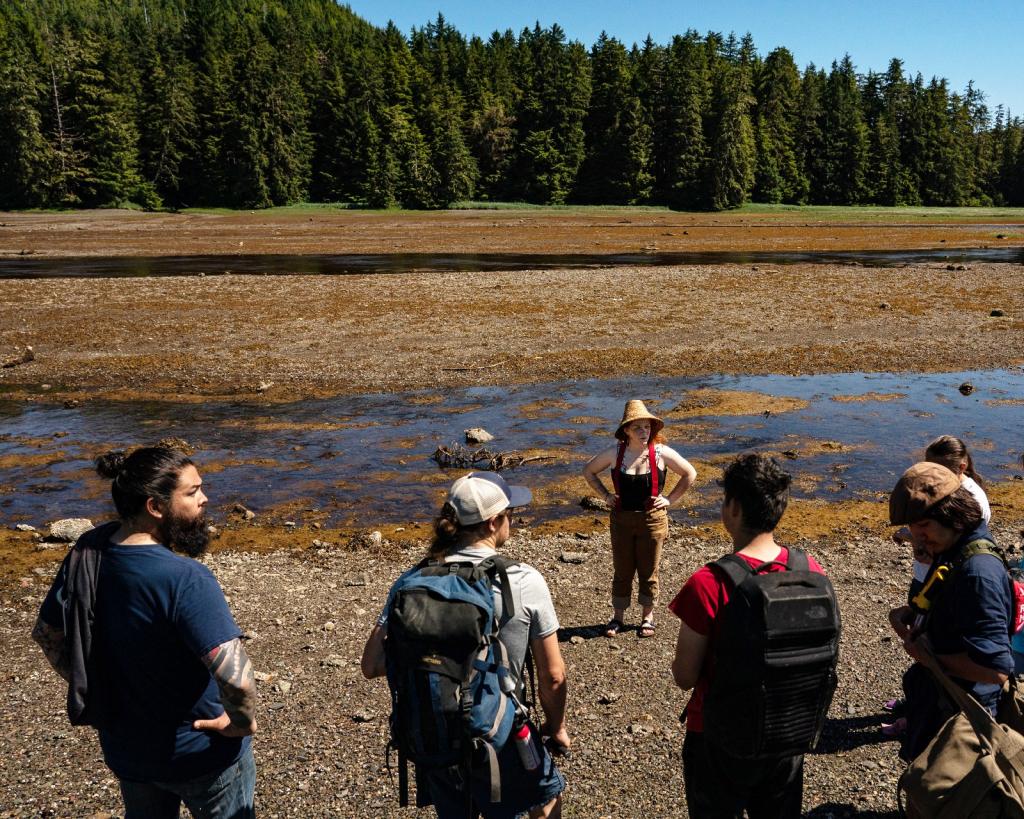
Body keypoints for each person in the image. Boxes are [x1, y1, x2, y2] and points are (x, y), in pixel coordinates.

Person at [32, 447, 258, 818]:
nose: (205, 499)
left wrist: (91, 683)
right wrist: (240, 722)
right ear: (155, 506)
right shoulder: (185, 579)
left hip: (127, 751)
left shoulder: (88, 553)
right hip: (199, 753)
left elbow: (47, 634)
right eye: (192, 492)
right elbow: (236, 677)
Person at [361, 471, 569, 818]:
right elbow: (553, 675)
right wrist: (557, 727)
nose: (512, 521)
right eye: (509, 514)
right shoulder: (523, 580)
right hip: (500, 733)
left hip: (434, 732)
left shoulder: (411, 581)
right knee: (546, 800)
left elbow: (371, 665)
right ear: (492, 523)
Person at [669, 453, 827, 818]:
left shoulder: (708, 583)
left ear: (734, 508)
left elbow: (684, 676)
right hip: (787, 729)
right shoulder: (810, 570)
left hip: (718, 736)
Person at [887, 461, 1013, 762]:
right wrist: (911, 614)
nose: (918, 537)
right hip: (941, 702)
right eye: (914, 529)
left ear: (951, 513)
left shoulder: (977, 572)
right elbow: (957, 611)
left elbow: (995, 670)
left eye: (924, 527)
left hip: (961, 715)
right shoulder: (955, 551)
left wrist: (928, 656)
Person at [583, 400, 697, 638]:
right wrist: (605, 495)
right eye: (638, 428)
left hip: (653, 520)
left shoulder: (661, 453)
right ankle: (618, 617)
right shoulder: (615, 453)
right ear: (626, 430)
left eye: (647, 427)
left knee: (649, 570)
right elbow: (588, 471)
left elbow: (690, 473)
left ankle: (648, 617)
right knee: (622, 570)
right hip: (621, 520)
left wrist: (670, 499)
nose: (644, 432)